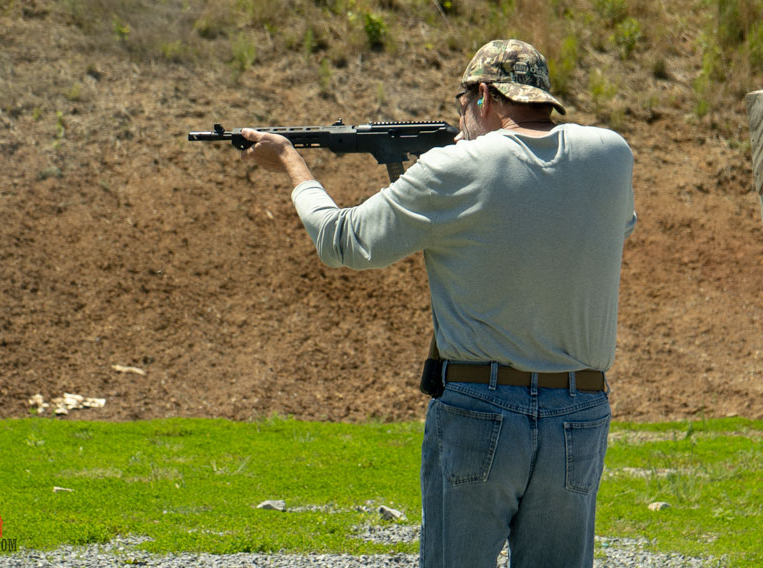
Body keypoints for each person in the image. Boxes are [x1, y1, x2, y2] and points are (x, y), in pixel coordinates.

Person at [239, 39, 635, 568]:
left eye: (462, 104)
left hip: (483, 407)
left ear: (483, 97)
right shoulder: (611, 154)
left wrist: (290, 161)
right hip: (580, 411)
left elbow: (340, 241)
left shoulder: (456, 166)